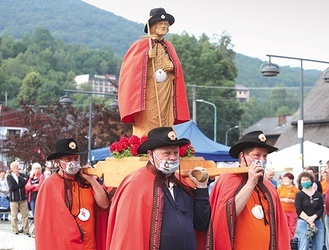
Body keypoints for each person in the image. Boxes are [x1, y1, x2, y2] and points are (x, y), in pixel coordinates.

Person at [106, 127, 211, 249]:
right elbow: (128, 237)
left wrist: (202, 188)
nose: (172, 157)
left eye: (175, 153)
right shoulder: (135, 185)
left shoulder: (181, 183)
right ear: (151, 155)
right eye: (167, 153)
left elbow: (201, 224)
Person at [208, 130, 290, 249]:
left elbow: (279, 225)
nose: (262, 160)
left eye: (265, 156)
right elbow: (225, 215)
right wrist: (251, 183)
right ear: (242, 156)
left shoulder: (268, 186)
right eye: (257, 155)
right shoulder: (228, 180)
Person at [118, 7, 190, 137]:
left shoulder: (168, 46)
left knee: (165, 114)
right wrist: (145, 57)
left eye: (166, 25)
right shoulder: (141, 44)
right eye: (161, 24)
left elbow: (177, 67)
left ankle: (166, 137)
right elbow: (130, 68)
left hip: (166, 89)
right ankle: (147, 138)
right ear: (153, 27)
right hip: (150, 88)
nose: (164, 27)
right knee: (150, 114)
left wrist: (172, 66)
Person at [35, 138, 110, 250]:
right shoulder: (50, 185)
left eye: (76, 158)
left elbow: (104, 204)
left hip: (91, 245)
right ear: (57, 162)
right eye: (68, 159)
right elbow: (49, 225)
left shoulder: (86, 181)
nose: (73, 162)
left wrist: (92, 180)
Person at [295, 171, 325, 250]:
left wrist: (313, 218)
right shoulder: (299, 195)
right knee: (303, 246)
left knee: (319, 246)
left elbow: (321, 209)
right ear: (300, 182)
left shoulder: (318, 194)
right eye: (303, 180)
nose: (305, 181)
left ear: (311, 181)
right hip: (303, 222)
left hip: (317, 222)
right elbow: (299, 210)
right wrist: (309, 220)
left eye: (307, 179)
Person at [6, 161, 30, 236]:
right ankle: (15, 230)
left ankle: (25, 230)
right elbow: (12, 187)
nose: (16, 168)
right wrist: (20, 184)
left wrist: (18, 177)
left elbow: (25, 182)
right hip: (14, 199)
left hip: (23, 198)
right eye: (14, 167)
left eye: (17, 166)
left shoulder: (22, 175)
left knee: (25, 215)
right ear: (11, 168)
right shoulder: (9, 177)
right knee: (14, 216)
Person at [277, 172, 299, 239]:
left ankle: (290, 240)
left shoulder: (296, 190)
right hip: (283, 211)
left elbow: (299, 201)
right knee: (284, 226)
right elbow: (276, 198)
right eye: (284, 179)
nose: (285, 181)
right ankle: (286, 240)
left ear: (291, 180)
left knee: (292, 227)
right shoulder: (280, 188)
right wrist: (283, 200)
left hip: (292, 212)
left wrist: (291, 201)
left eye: (287, 179)